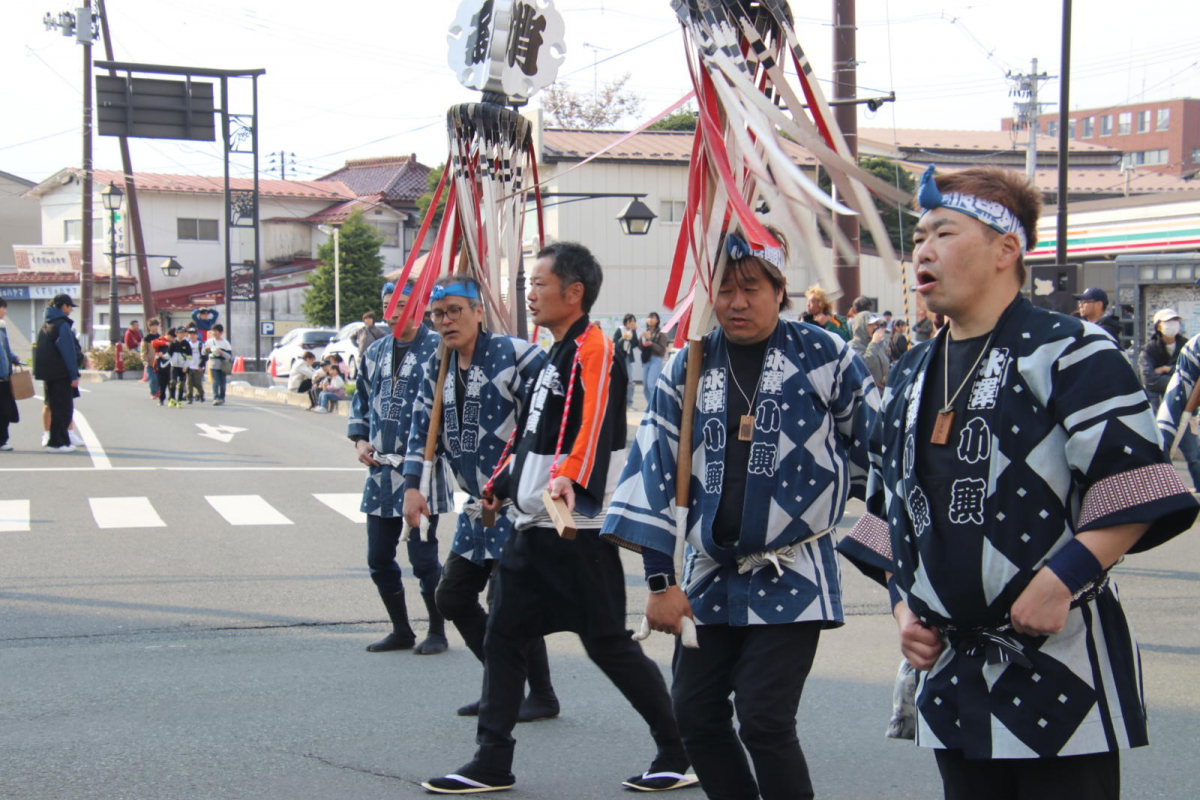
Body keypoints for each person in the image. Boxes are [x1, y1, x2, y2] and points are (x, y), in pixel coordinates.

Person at [837, 165, 1198, 800]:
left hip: (1058, 662)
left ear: (1008, 249)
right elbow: (890, 511)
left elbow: (1133, 484)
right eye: (918, 236)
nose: (922, 250)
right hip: (952, 669)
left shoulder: (1073, 350)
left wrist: (1059, 583)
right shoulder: (912, 370)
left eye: (943, 233)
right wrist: (903, 608)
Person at [602, 230, 880, 800]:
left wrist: (852, 519)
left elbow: (878, 448)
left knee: (764, 718)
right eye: (724, 289)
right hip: (707, 572)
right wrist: (660, 580)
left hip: (793, 569)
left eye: (751, 287)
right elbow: (653, 470)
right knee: (695, 716)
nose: (736, 302)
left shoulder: (825, 355)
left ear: (781, 291)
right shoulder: (690, 363)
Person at [423, 243, 691, 795]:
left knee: (606, 644)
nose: (530, 292)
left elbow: (592, 426)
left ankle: (678, 748)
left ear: (574, 292)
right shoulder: (554, 354)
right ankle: (492, 759)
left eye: (539, 282)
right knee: (504, 634)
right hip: (536, 522)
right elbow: (528, 436)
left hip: (574, 525)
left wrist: (570, 475)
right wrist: (500, 484)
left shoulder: (596, 348)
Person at [401, 274, 559, 721]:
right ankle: (503, 682)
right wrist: (414, 486)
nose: (447, 321)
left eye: (455, 310)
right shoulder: (438, 364)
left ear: (477, 311)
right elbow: (420, 428)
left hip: (516, 504)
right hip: (477, 509)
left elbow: (545, 425)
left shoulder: (518, 355)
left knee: (512, 605)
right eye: (438, 314)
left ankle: (540, 695)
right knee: (451, 597)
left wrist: (508, 481)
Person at [348, 281, 446, 655]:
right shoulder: (374, 350)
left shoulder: (438, 348)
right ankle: (401, 629)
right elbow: (360, 398)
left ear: (419, 306)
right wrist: (359, 439)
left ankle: (436, 630)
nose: (392, 309)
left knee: (423, 558)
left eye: (402, 302)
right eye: (388, 302)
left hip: (420, 470)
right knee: (378, 557)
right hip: (380, 470)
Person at [1154, 324, 1200, 493]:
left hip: (1184, 408)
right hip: (1175, 408)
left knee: (1193, 456)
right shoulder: (1195, 347)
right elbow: (1150, 378)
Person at [33, 294, 81, 453]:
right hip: (61, 374)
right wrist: (74, 375)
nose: (71, 310)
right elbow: (68, 352)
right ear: (63, 306)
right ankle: (57, 443)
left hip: (49, 374)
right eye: (70, 307)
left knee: (54, 406)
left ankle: (61, 441)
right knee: (63, 408)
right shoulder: (62, 325)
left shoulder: (46, 323)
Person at [0, 298, 25, 451]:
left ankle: (2, 439)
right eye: (3, 308)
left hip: (4, 377)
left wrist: (14, 357)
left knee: (5, 410)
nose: (5, 311)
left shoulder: (2, 328)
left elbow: (6, 350)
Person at [851, 313, 891, 388]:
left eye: (876, 324)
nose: (875, 327)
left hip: (882, 392)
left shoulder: (877, 343)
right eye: (870, 324)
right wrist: (874, 343)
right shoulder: (853, 346)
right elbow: (864, 366)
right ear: (861, 326)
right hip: (867, 393)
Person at [640, 311, 669, 408]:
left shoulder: (661, 333)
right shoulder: (646, 332)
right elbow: (641, 347)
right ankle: (651, 406)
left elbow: (662, 349)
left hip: (656, 359)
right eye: (649, 317)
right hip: (646, 360)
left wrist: (651, 344)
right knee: (645, 387)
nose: (650, 319)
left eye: (653, 317)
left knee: (651, 385)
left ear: (657, 320)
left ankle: (656, 406)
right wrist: (642, 340)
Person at [205, 324, 234, 406]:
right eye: (213, 331)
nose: (214, 333)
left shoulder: (225, 343)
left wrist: (222, 352)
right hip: (213, 364)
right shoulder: (209, 342)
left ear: (221, 332)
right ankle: (216, 398)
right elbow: (203, 353)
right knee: (216, 381)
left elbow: (229, 356)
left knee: (222, 382)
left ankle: (222, 397)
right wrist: (206, 350)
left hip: (223, 365)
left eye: (216, 331)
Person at [614, 313, 638, 407]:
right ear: (627, 322)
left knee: (630, 380)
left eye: (634, 321)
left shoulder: (633, 331)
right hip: (620, 357)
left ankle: (629, 402)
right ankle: (620, 402)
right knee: (619, 379)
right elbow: (615, 344)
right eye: (631, 321)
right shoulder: (619, 330)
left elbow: (635, 343)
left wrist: (632, 336)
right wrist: (622, 338)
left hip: (628, 357)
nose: (633, 323)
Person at [166, 328, 191, 408]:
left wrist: (185, 366)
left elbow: (189, 357)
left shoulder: (186, 344)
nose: (182, 335)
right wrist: (162, 356)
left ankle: (179, 400)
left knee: (181, 384)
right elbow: (168, 354)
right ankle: (172, 399)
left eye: (183, 333)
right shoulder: (173, 343)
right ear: (176, 333)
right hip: (174, 366)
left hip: (182, 367)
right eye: (180, 333)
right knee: (172, 382)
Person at [140, 319, 162, 399]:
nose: (155, 328)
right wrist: (144, 360)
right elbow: (143, 350)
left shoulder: (160, 337)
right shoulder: (146, 338)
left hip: (159, 362)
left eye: (156, 326)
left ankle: (159, 391)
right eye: (153, 326)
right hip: (150, 362)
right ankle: (153, 393)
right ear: (149, 327)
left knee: (159, 378)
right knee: (152, 379)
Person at [185, 327, 205, 404]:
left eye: (193, 334)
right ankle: (189, 397)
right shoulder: (187, 344)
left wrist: (201, 365)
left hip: (198, 367)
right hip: (189, 367)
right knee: (189, 383)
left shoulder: (200, 344)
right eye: (190, 334)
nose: (192, 336)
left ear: (197, 335)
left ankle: (201, 394)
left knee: (197, 383)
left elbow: (204, 356)